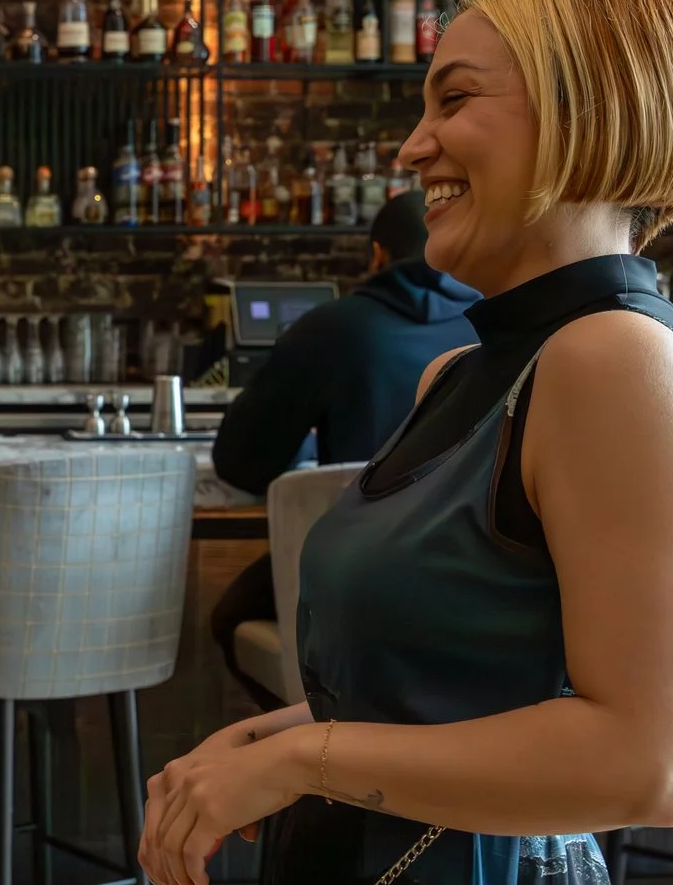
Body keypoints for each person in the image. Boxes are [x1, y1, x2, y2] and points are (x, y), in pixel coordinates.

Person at [139, 0, 673, 885]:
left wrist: (308, 753)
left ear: (589, 110)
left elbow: (648, 760)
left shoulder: (614, 362)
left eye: (453, 98)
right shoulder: (462, 375)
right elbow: (466, 674)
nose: (410, 148)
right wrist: (267, 740)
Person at [205, 190, 479, 706]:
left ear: (376, 254)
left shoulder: (332, 328)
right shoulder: (498, 327)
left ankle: (315, 755)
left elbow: (240, 464)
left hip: (355, 574)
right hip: (470, 587)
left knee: (229, 618)